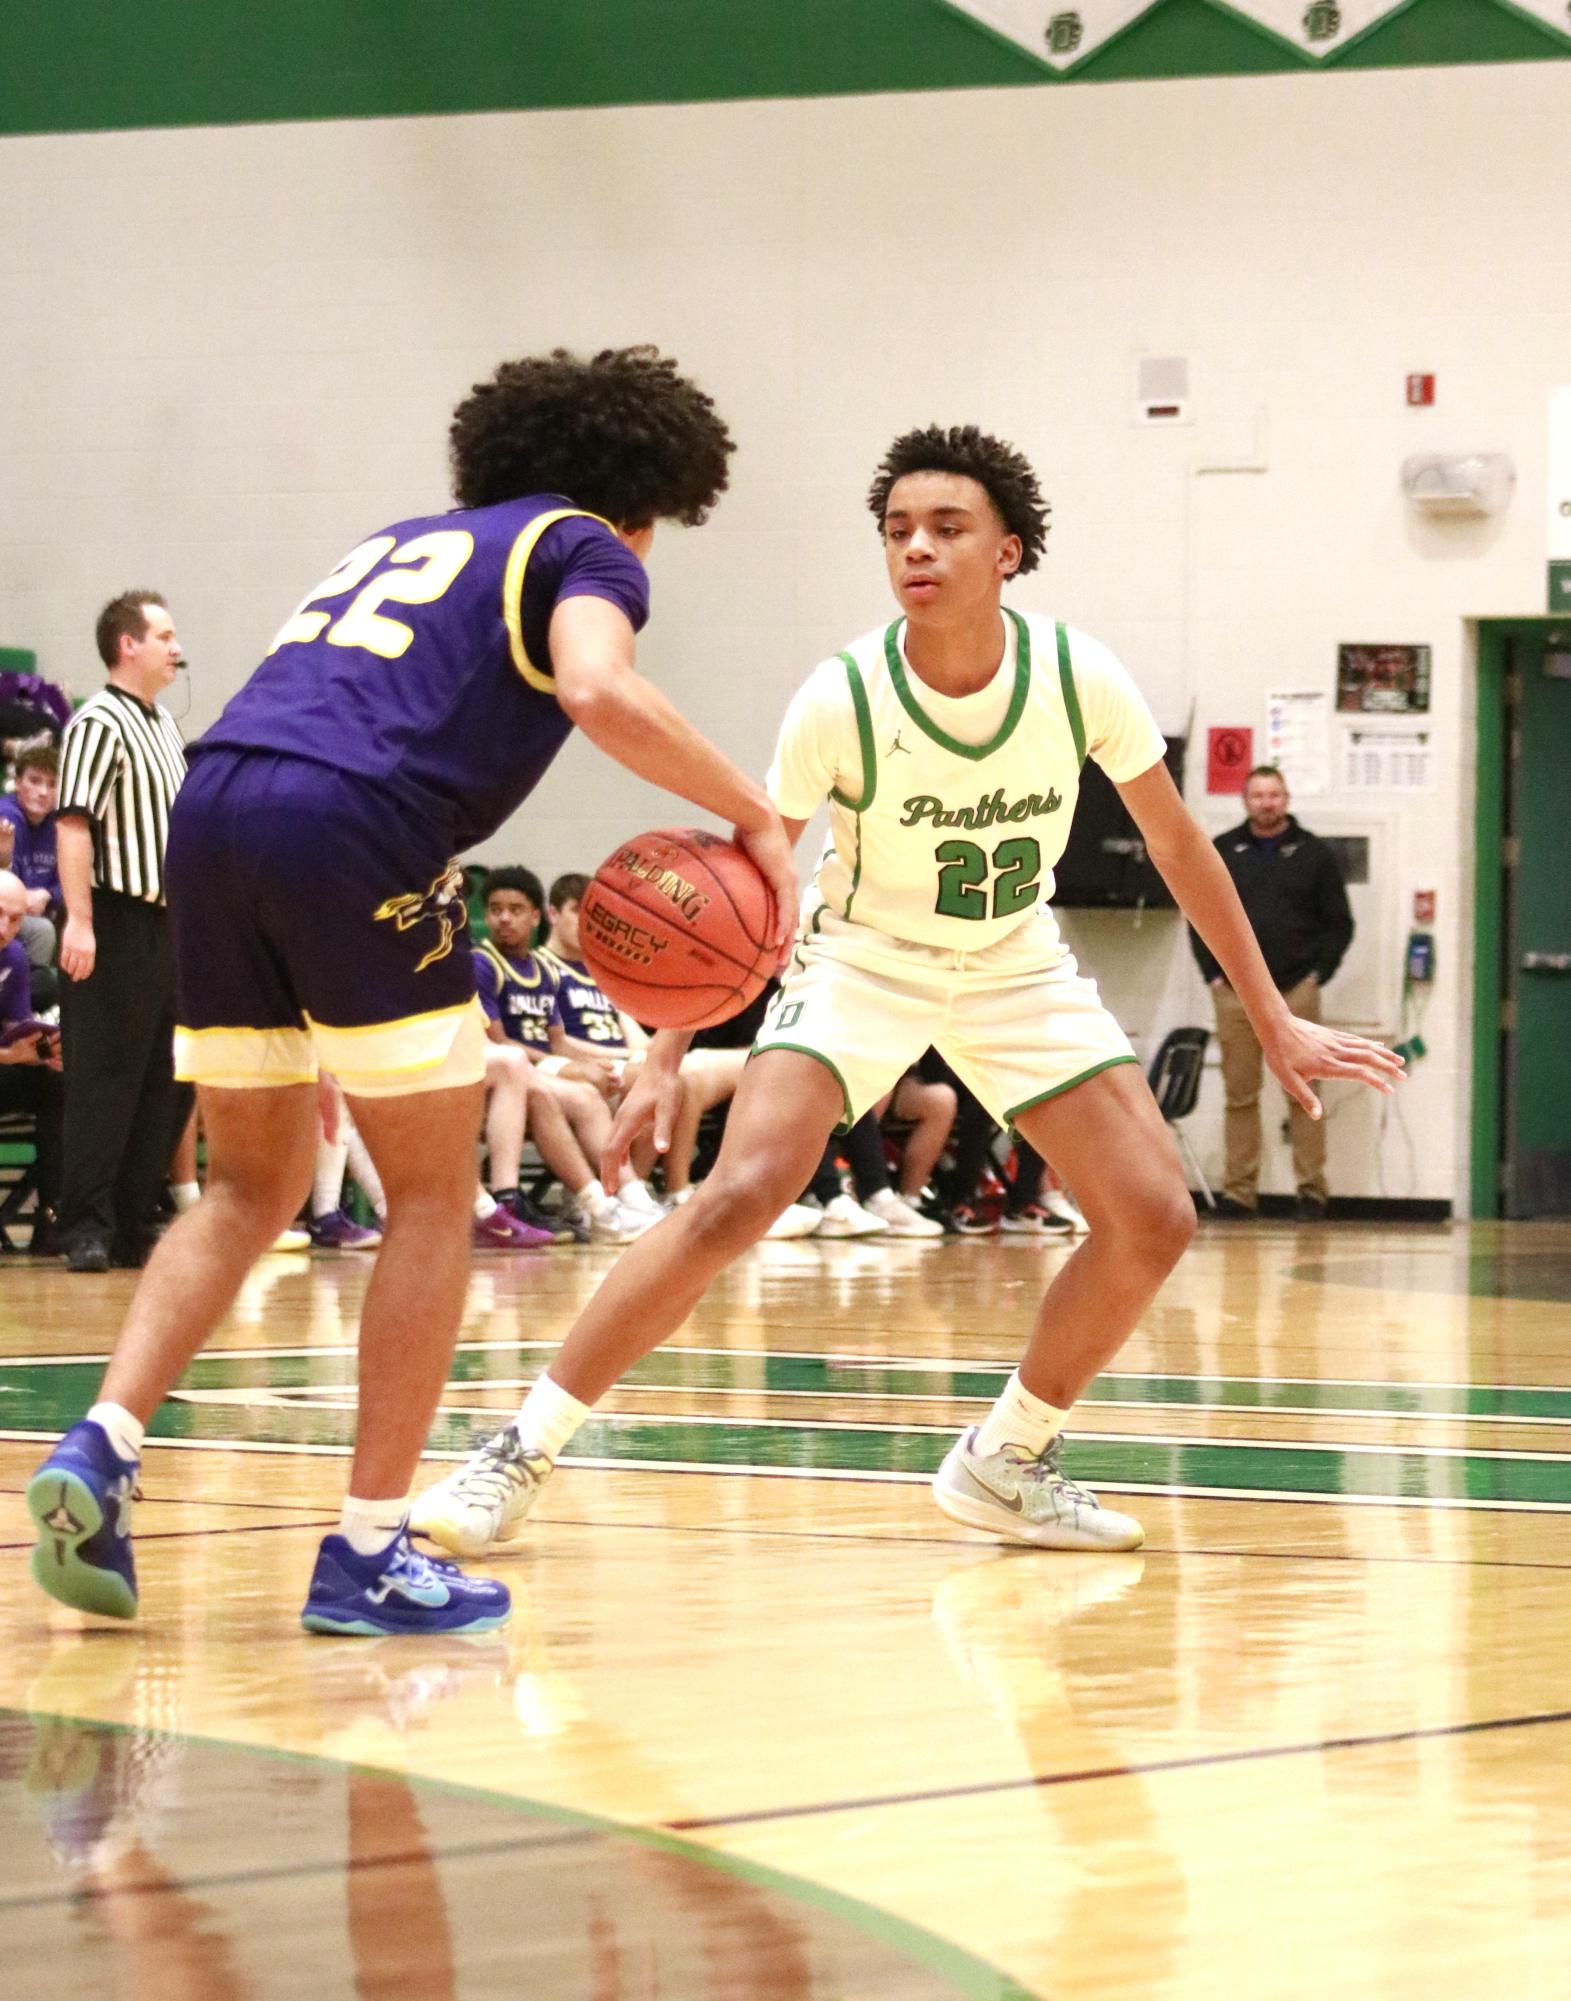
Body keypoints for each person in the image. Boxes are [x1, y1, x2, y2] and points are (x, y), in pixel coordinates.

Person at [413, 422, 1400, 1560]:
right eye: (896, 532)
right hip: (862, 961)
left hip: (1013, 965)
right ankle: (517, 1453)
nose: (915, 549)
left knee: (1152, 1217)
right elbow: (740, 884)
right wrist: (665, 1057)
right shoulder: (841, 695)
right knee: (739, 1196)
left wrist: (1271, 1018)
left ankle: (1008, 1455)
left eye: (945, 528)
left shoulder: (1078, 677)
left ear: (1009, 552)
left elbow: (1181, 849)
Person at [27, 345, 797, 1639]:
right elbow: (600, 686)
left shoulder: (407, 540)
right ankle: (370, 1550)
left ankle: (102, 1448)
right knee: (437, 1193)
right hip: (361, 819)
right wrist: (748, 813)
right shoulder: (581, 546)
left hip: (215, 808)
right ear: (642, 497)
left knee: (244, 1183)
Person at [54, 594, 194, 1273]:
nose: (176, 646)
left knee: (163, 1078)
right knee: (104, 1077)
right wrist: (79, 919)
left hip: (168, 922)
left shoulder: (164, 723)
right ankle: (85, 1224)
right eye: (164, 635)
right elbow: (73, 822)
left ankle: (135, 1221)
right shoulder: (97, 721)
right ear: (127, 645)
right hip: (112, 916)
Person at [1190, 764, 1354, 1221]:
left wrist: (1318, 974)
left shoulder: (1314, 855)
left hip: (1296, 990)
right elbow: (1198, 916)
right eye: (1258, 795)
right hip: (1234, 991)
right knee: (1240, 1095)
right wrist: (1212, 973)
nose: (1267, 803)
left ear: (1287, 798)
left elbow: (1339, 924)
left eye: (1275, 795)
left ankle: (1312, 1191)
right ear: (1246, 800)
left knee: (1304, 1093)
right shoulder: (1223, 850)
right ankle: (1240, 1193)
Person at [474, 867, 658, 1241]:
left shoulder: (544, 970)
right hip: (505, 1072)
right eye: (495, 910)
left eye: (515, 909)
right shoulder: (483, 963)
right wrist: (575, 1068)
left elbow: (558, 1041)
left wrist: (592, 1061)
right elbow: (498, 1041)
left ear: (535, 916)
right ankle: (605, 1205)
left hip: (541, 1065)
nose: (504, 918)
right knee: (587, 1090)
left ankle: (628, 1198)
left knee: (600, 1084)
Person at [0, 868, 64, 1248]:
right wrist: (10, 1055)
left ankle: (52, 1215)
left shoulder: (17, 957)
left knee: (57, 1082)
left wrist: (42, 1052)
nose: (6, 927)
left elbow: (19, 1025)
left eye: (16, 918)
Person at [0, 743, 62, 1005]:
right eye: (35, 781)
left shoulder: (63, 822)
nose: (43, 792)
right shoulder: (6, 816)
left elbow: (71, 881)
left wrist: (48, 894)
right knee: (43, 931)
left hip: (42, 908)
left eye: (51, 784)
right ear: (17, 782)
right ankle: (30, 1000)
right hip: (12, 913)